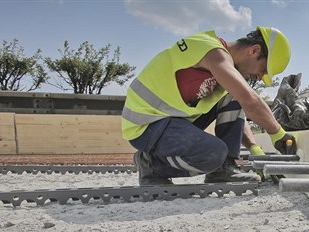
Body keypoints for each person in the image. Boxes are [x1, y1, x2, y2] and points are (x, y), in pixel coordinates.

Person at [121, 26, 297, 185]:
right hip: (146, 124)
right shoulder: (212, 51)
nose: (260, 77)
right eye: (264, 69)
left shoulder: (225, 69)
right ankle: (151, 165)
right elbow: (249, 100)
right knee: (213, 153)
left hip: (171, 119)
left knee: (233, 96)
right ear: (254, 50)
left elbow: (238, 109)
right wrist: (277, 133)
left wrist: (253, 147)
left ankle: (223, 170)